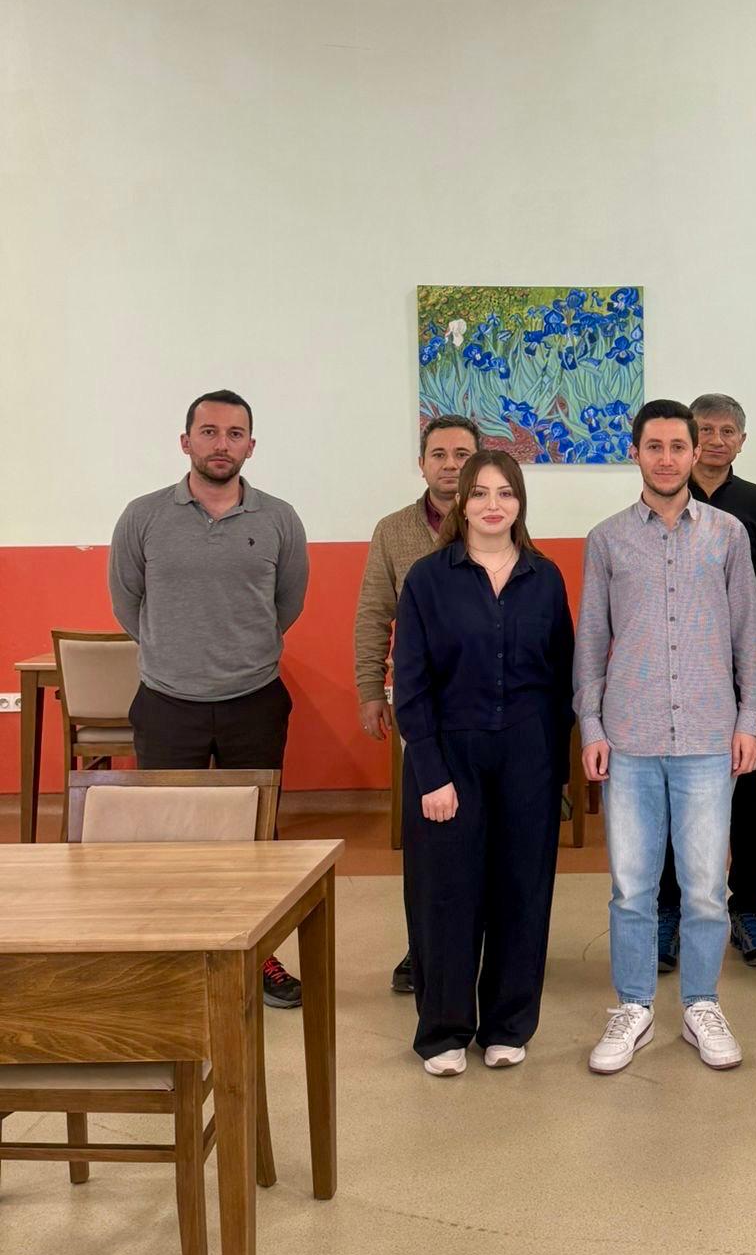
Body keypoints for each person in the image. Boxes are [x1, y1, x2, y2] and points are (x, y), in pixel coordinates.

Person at [576, 400, 756, 1076]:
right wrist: (591, 724)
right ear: (635, 452)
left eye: (677, 446)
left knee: (706, 888)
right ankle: (633, 1007)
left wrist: (751, 720)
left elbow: (748, 633)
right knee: (631, 888)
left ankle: (700, 1004)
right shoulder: (606, 539)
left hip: (710, 737)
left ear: (694, 453)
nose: (666, 458)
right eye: (653, 446)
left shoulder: (728, 534)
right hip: (629, 737)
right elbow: (591, 639)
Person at [108, 389, 309, 1010]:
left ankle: (258, 954)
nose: (222, 444)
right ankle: (176, 957)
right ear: (186, 441)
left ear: (251, 446)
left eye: (235, 434)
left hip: (255, 699)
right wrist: (177, 655)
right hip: (167, 703)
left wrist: (239, 653)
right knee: (169, 841)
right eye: (210, 431)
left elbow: (288, 603)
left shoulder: (279, 519)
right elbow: (127, 603)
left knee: (255, 839)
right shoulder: (142, 517)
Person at [392, 452, 574, 1077]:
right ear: (461, 503)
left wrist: (556, 772)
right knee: (446, 895)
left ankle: (507, 1024)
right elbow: (411, 684)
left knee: (522, 892)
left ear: (520, 503)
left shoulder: (544, 578)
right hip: (450, 756)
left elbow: (560, 679)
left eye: (505, 493)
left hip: (529, 756)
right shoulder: (428, 579)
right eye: (480, 493)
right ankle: (443, 1030)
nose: (493, 504)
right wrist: (430, 771)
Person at [654, 393, 756, 971]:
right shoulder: (663, 497)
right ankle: (669, 912)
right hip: (672, 675)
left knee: (747, 796)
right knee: (670, 794)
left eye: (727, 431)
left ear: (742, 441)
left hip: (738, 673)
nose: (714, 441)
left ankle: (747, 910)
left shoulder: (755, 504)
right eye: (704, 430)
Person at [354, 414, 480, 995]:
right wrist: (369, 689)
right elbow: (373, 614)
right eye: (439, 455)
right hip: (421, 708)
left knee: (483, 833)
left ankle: (482, 942)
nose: (450, 465)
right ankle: (422, 946)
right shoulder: (393, 531)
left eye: (462, 455)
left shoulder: (497, 520)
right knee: (429, 836)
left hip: (489, 710)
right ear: (422, 463)